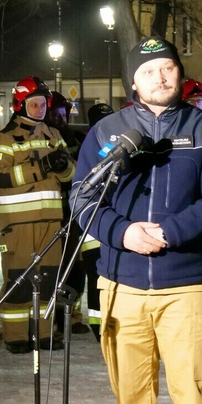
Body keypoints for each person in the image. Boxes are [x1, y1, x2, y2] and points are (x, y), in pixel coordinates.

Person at [70, 36, 202, 404]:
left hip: (186, 285)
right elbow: (82, 198)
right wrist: (122, 232)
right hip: (121, 285)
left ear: (180, 74)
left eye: (167, 68)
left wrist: (169, 232)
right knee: (132, 403)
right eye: (148, 71)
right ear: (133, 81)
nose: (159, 77)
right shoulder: (107, 133)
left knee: (196, 399)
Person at [0, 76, 75, 354]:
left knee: (49, 280)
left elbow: (71, 175)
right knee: (19, 280)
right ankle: (16, 336)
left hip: (51, 221)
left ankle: (45, 334)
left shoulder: (54, 135)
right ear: (20, 105)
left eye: (42, 104)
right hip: (19, 223)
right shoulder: (6, 137)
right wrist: (42, 166)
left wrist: (63, 167)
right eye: (33, 104)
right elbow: (2, 176)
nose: (39, 109)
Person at [46, 90, 90, 335]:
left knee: (75, 266)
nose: (60, 118)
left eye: (63, 114)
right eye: (55, 114)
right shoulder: (42, 139)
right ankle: (51, 317)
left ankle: (70, 316)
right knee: (52, 267)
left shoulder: (77, 139)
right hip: (50, 211)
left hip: (74, 212)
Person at [79, 102, 115, 339]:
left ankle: (110, 321)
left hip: (114, 221)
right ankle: (98, 324)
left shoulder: (119, 145)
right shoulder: (91, 148)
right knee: (96, 275)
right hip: (93, 223)